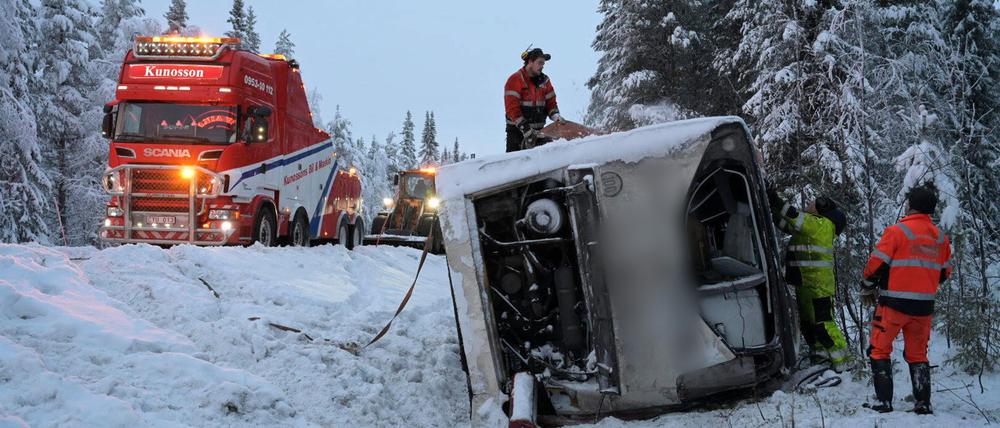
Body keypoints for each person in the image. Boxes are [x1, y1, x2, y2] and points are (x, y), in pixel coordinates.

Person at [861, 183, 951, 415]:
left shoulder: (897, 232)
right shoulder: (942, 238)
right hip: (924, 308)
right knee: (918, 354)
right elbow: (944, 273)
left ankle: (884, 402)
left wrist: (867, 286)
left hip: (893, 305)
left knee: (879, 350)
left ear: (910, 206)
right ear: (931, 210)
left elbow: (876, 265)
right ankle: (923, 403)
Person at [767, 187, 850, 371]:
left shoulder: (821, 225)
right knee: (808, 324)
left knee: (823, 323)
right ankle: (819, 356)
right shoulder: (810, 227)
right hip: (806, 284)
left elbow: (792, 214)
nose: (809, 204)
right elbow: (785, 223)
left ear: (822, 209)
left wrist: (773, 196)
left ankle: (844, 362)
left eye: (813, 203)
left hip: (817, 286)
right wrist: (770, 207)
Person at [504, 47, 563, 152]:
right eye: (540, 63)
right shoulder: (515, 80)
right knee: (516, 165)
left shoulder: (545, 81)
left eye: (543, 64)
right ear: (530, 62)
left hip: (540, 133)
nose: (542, 67)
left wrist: (555, 116)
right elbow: (512, 109)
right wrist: (526, 129)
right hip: (517, 134)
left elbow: (551, 103)